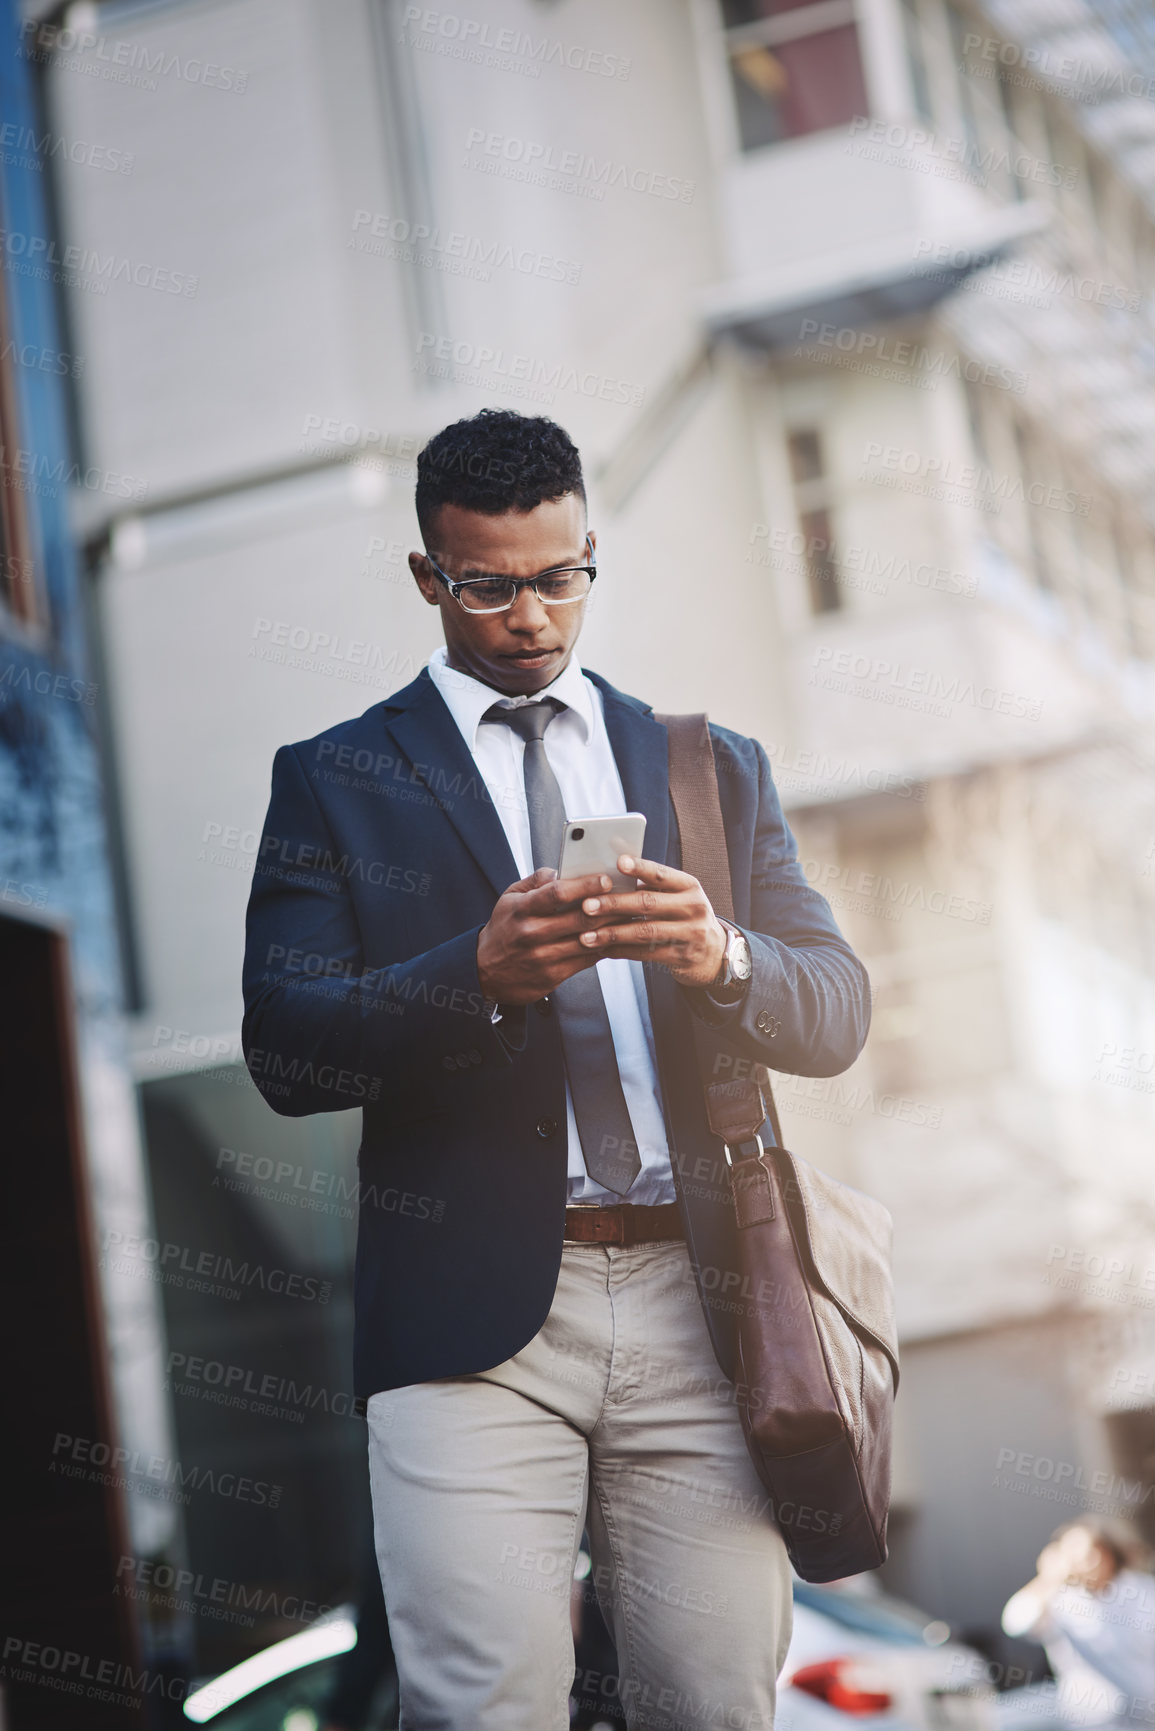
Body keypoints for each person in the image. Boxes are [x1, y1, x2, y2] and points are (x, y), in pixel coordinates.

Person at [242, 408, 872, 1730]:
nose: (529, 615)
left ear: (589, 551)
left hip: (703, 1313)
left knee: (710, 1705)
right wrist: (472, 971)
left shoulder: (708, 765)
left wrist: (719, 955)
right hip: (464, 1328)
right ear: (429, 575)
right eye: (488, 584)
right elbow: (287, 1050)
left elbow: (831, 1014)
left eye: (559, 575)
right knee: (484, 1709)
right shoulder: (333, 779)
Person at [1002, 1518, 1155, 1727]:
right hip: (1089, 1715)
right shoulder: (1060, 1599)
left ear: (1108, 1553)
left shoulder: (1143, 1592)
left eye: (1091, 1553)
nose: (1084, 1562)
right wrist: (1048, 1579)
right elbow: (1016, 1624)